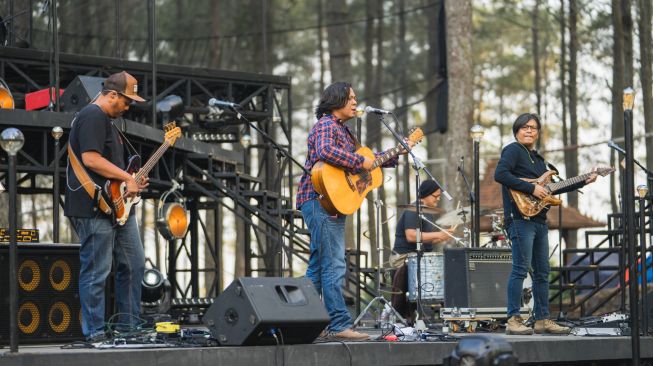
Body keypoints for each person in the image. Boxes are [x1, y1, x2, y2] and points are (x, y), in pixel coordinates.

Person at [296, 82, 412, 341]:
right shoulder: (326, 125)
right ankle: (338, 324)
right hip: (320, 199)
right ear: (336, 100)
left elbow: (362, 165)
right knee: (334, 264)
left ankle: (304, 323)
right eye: (350, 98)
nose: (355, 103)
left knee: (318, 266)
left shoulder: (345, 132)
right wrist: (361, 160)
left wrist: (396, 152)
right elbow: (326, 152)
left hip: (330, 202)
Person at [494, 113, 597, 335]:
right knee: (520, 270)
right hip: (520, 219)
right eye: (525, 127)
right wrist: (531, 188)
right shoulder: (513, 150)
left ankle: (542, 319)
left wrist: (584, 180)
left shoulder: (539, 160)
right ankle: (513, 319)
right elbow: (500, 174)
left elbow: (553, 188)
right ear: (517, 130)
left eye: (534, 128)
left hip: (540, 220)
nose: (529, 131)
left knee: (542, 272)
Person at [64, 71, 148, 342]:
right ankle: (96, 333)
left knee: (134, 264)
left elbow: (111, 168)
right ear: (113, 95)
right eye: (127, 101)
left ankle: (129, 328)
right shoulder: (92, 116)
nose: (128, 107)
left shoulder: (109, 123)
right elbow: (90, 159)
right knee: (97, 270)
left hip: (116, 206)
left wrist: (132, 180)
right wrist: (127, 178)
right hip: (92, 207)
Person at [389, 179, 453, 322]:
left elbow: (425, 239)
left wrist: (444, 236)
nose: (437, 199)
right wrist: (439, 234)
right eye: (435, 196)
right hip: (403, 258)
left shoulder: (427, 212)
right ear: (425, 194)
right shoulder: (414, 209)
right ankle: (406, 315)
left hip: (418, 257)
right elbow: (411, 236)